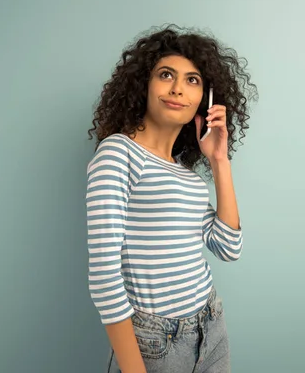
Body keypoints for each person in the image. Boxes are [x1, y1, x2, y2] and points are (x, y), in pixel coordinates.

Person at [85, 24, 258, 373]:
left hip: (211, 327)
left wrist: (219, 160)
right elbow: (104, 279)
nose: (178, 88)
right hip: (155, 343)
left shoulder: (185, 175)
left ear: (205, 98)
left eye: (193, 80)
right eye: (166, 75)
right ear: (143, 85)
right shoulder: (118, 153)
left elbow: (228, 246)